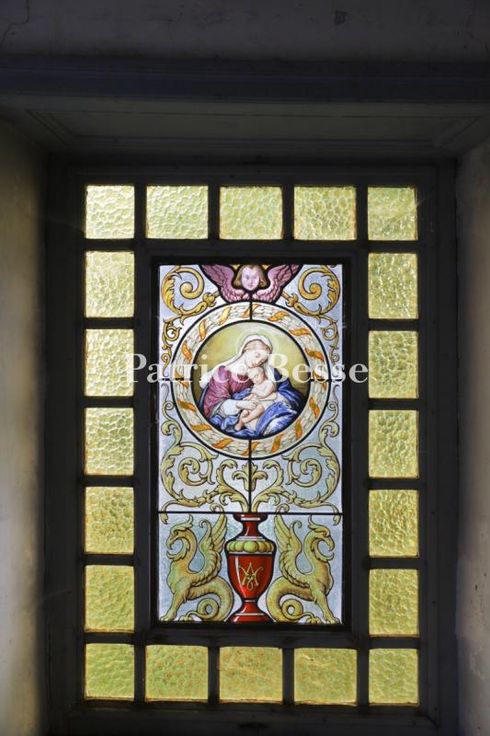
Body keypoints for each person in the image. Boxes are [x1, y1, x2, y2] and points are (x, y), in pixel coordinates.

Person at [198, 333, 305, 439]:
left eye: (262, 360)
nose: (257, 362)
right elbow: (214, 407)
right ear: (246, 348)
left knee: (280, 424)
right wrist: (240, 404)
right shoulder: (223, 373)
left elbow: (291, 395)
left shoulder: (266, 371)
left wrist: (273, 396)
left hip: (268, 410)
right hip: (241, 417)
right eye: (257, 355)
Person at [234, 365, 278, 431]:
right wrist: (248, 397)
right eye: (252, 379)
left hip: (265, 401)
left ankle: (248, 418)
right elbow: (252, 394)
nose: (255, 380)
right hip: (256, 401)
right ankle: (240, 423)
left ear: (263, 373)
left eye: (256, 376)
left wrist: (256, 391)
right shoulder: (256, 384)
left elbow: (264, 394)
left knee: (259, 408)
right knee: (245, 410)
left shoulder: (269, 383)